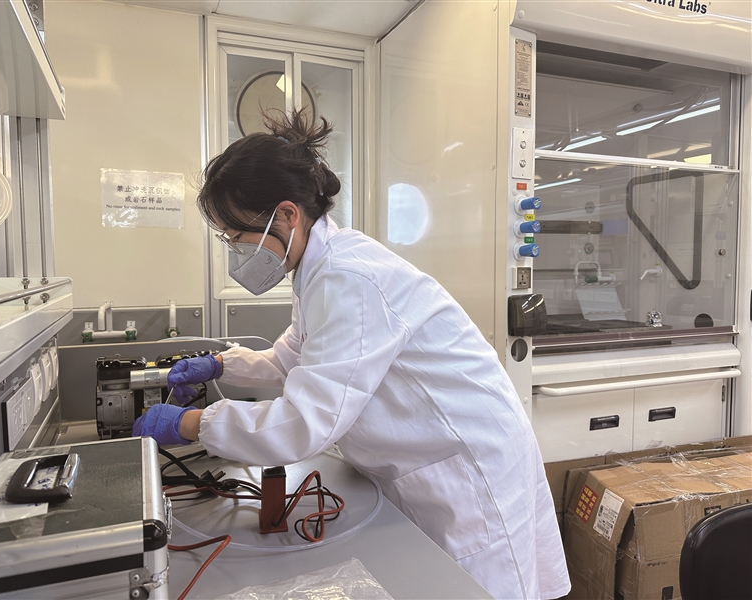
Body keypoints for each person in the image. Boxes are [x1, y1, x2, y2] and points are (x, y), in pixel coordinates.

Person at [133, 109, 571, 599]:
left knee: (478, 589)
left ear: (287, 215)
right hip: (428, 463)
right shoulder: (318, 268)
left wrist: (192, 424)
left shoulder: (348, 276)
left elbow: (304, 423)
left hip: (467, 469)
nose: (235, 251)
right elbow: (291, 359)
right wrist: (220, 364)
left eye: (238, 237)